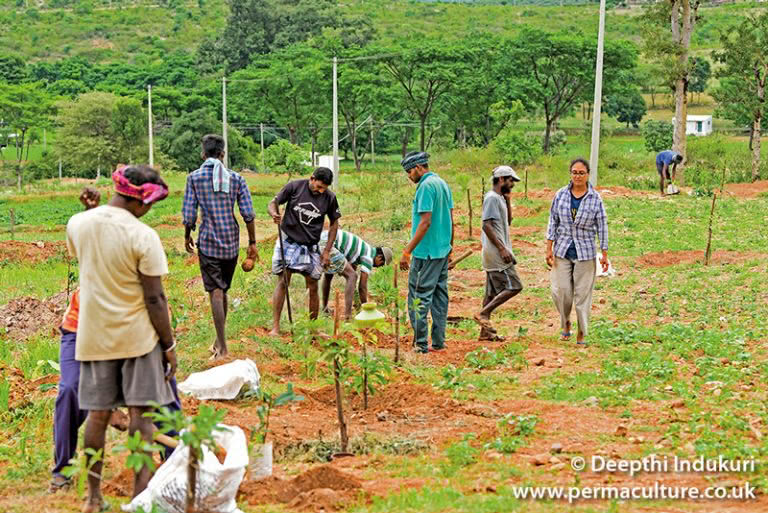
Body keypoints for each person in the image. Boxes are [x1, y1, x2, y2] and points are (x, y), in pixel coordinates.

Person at [66, 165, 177, 513]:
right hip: (139, 340)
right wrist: (169, 346)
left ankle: (93, 498)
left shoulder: (78, 224)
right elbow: (155, 298)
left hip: (93, 337)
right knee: (141, 419)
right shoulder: (143, 236)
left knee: (97, 418)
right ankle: (139, 498)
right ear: (142, 202)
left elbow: (83, 257)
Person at [183, 134, 258, 360]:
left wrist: (187, 235)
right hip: (231, 243)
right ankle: (218, 340)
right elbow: (248, 214)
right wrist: (252, 242)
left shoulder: (194, 178)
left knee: (216, 292)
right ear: (222, 154)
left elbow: (189, 214)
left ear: (203, 154)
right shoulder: (236, 179)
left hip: (208, 241)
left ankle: (223, 348)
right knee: (222, 290)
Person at [268, 167, 341, 335]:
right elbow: (273, 203)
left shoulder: (329, 198)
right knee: (283, 282)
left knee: (313, 284)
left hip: (310, 246)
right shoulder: (294, 187)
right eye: (319, 186)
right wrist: (274, 213)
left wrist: (327, 251)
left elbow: (334, 224)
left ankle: (313, 330)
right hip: (288, 241)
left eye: (324, 188)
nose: (321, 191)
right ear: (312, 178)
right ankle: (276, 327)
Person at [545, 158, 609, 346]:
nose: (577, 176)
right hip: (562, 250)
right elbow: (552, 222)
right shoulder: (561, 195)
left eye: (581, 173)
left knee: (582, 295)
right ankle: (565, 323)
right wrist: (548, 248)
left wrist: (604, 254)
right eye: (574, 172)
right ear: (570, 174)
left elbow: (602, 227)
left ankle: (582, 332)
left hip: (585, 252)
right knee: (561, 291)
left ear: (588, 174)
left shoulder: (595, 198)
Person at [399, 151, 454, 354]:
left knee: (418, 296)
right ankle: (439, 342)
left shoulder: (425, 187)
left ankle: (421, 344)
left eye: (409, 171)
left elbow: (425, 222)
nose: (409, 176)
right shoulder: (442, 183)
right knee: (440, 296)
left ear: (419, 168)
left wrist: (407, 251)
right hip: (441, 251)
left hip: (426, 254)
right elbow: (450, 217)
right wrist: (450, 247)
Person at [474, 166, 524, 342]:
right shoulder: (491, 198)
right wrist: (502, 249)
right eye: (511, 181)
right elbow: (486, 225)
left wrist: (508, 201)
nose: (513, 185)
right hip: (496, 252)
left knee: (490, 293)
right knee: (515, 286)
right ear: (502, 179)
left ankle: (484, 333)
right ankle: (483, 313)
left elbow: (507, 222)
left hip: (498, 250)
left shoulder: (500, 199)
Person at [319, 229, 393, 319]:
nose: (378, 267)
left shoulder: (364, 249)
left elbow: (350, 269)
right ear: (379, 257)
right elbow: (362, 287)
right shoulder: (369, 256)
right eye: (381, 264)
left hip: (322, 238)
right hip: (329, 242)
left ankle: (325, 309)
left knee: (329, 274)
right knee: (353, 276)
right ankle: (348, 316)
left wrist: (357, 301)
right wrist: (366, 309)